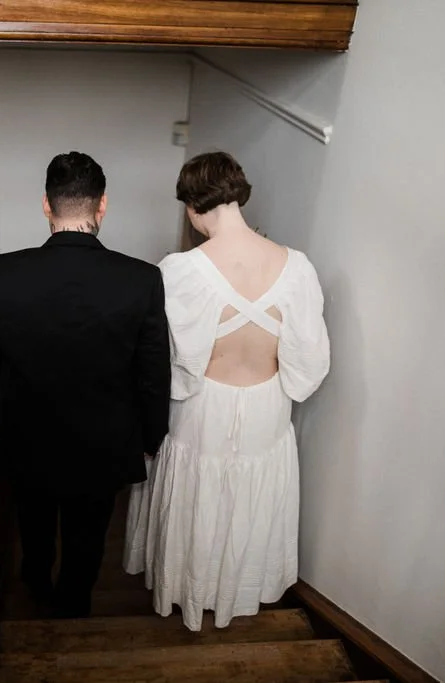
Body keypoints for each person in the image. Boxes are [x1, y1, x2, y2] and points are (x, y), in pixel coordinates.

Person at [124, 152, 330, 631]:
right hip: (267, 407)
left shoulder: (179, 270)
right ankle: (238, 592)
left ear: (193, 206)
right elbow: (309, 362)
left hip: (202, 407)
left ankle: (187, 593)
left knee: (196, 502)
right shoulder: (297, 267)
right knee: (246, 505)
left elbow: (158, 359)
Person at [0, 151, 171, 619]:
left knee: (32, 523)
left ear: (46, 204)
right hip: (103, 442)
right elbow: (153, 369)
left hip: (24, 437)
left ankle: (36, 583)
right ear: (102, 206)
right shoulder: (141, 279)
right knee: (88, 535)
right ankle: (73, 603)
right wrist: (152, 435)